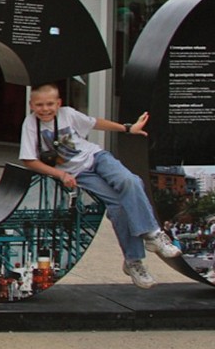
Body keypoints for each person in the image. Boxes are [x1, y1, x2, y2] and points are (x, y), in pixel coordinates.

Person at [19, 84, 181, 288]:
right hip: (79, 174)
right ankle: (133, 261)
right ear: (31, 105)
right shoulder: (31, 125)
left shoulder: (68, 114)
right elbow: (29, 160)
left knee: (130, 181)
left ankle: (152, 234)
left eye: (50, 104)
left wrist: (128, 128)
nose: (45, 109)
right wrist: (61, 174)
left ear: (59, 103)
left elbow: (96, 123)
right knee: (119, 207)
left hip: (96, 157)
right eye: (39, 105)